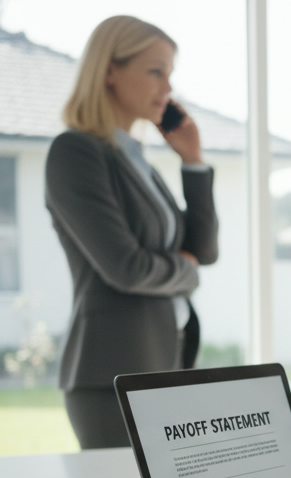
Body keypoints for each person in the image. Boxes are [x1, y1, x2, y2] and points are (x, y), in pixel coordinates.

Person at [46, 15, 218, 449]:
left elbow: (204, 249)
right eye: (156, 71)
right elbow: (126, 268)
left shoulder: (137, 161)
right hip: (112, 376)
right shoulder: (76, 153)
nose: (168, 89)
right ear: (109, 70)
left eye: (170, 75)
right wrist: (187, 273)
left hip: (164, 366)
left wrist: (192, 161)